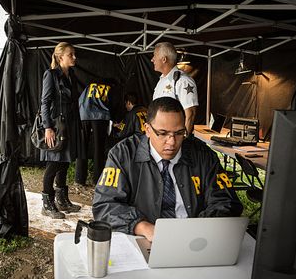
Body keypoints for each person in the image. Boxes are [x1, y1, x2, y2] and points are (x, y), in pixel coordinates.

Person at [93, 97, 243, 241]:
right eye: (163, 133)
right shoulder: (123, 154)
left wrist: (199, 229)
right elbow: (105, 204)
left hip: (195, 239)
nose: (171, 142)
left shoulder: (203, 156)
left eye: (179, 133)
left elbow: (226, 201)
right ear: (147, 129)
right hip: (143, 239)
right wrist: (142, 226)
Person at [40, 42, 82, 219]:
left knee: (64, 163)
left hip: (69, 125)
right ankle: (47, 204)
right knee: (53, 164)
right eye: (70, 54)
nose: (74, 57)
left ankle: (62, 200)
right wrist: (47, 127)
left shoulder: (70, 75)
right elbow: (45, 102)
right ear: (60, 57)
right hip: (56, 127)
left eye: (74, 54)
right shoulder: (51, 75)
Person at [151, 42, 198, 134]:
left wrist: (183, 139)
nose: (152, 60)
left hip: (172, 138)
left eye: (154, 56)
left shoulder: (183, 81)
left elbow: (190, 114)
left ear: (164, 59)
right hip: (159, 135)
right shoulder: (161, 80)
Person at [75, 80, 113, 186]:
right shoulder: (108, 87)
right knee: (98, 148)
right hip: (100, 117)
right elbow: (111, 104)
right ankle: (97, 179)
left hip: (84, 115)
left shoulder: (88, 86)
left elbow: (80, 101)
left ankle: (79, 178)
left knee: (82, 147)